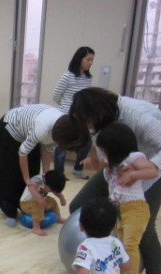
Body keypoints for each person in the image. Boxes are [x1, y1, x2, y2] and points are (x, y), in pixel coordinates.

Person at [53, 87, 161, 274]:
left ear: (96, 111)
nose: (87, 126)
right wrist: (97, 163)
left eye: (86, 120)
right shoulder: (98, 121)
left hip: (151, 170)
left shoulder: (137, 115)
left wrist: (140, 171)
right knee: (79, 205)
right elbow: (104, 152)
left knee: (145, 229)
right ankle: (98, 261)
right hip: (116, 171)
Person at [96, 123, 158, 274]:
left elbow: (152, 171)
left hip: (136, 208)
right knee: (121, 244)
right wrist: (93, 162)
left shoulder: (133, 157)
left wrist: (133, 174)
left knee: (130, 243)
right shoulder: (113, 160)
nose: (104, 152)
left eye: (106, 149)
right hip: (120, 209)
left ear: (117, 145)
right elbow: (100, 163)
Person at [0, 104, 63, 227]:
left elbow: (48, 150)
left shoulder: (59, 132)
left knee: (33, 168)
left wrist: (46, 176)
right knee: (11, 172)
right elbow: (23, 152)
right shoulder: (43, 128)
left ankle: (23, 204)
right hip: (11, 127)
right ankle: (10, 211)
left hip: (28, 130)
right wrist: (27, 180)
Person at [52, 46, 95, 179]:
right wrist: (66, 107)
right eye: (88, 59)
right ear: (79, 59)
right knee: (62, 145)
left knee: (87, 143)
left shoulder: (88, 78)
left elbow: (85, 97)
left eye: (92, 60)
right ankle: (59, 173)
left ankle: (78, 169)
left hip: (81, 117)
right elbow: (56, 96)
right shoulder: (67, 76)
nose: (90, 63)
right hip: (66, 116)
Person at [19, 169, 67, 236]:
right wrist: (39, 198)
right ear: (45, 183)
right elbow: (31, 188)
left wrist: (61, 198)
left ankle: (59, 218)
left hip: (40, 200)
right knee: (38, 205)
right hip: (26, 203)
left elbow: (55, 191)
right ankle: (36, 228)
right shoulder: (37, 180)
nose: (51, 191)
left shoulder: (50, 180)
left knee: (53, 201)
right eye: (51, 190)